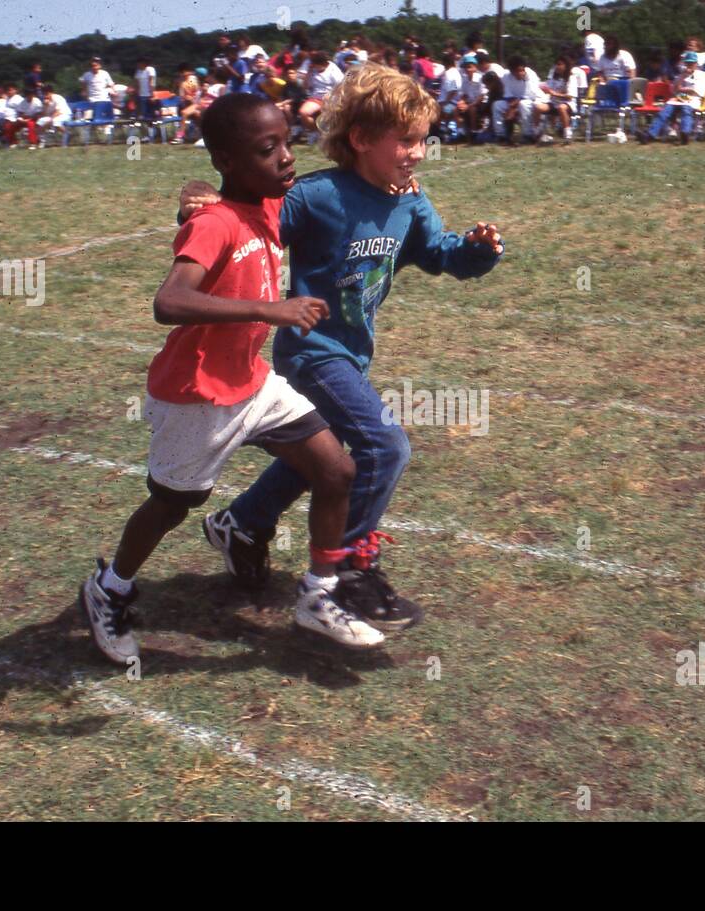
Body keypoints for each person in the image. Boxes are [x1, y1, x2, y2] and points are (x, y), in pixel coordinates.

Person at [175, 63, 504, 633]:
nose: (418, 152)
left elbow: (439, 253)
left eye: (423, 140)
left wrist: (476, 251)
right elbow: (251, 217)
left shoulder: (409, 203)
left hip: (353, 354)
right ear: (360, 140)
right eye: (405, 140)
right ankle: (347, 569)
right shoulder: (317, 195)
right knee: (384, 445)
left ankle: (243, 523)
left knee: (322, 462)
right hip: (310, 352)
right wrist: (204, 201)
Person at [82, 93, 378, 661]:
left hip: (252, 382)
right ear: (228, 159)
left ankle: (319, 595)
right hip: (197, 394)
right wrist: (269, 310)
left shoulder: (266, 202)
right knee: (171, 506)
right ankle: (109, 588)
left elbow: (305, 168)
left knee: (336, 470)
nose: (286, 159)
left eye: (288, 143)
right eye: (269, 150)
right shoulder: (215, 223)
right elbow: (169, 302)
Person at [641, 50, 705, 143]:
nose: (689, 65)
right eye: (687, 63)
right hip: (678, 98)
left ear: (696, 63)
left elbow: (698, 91)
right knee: (664, 112)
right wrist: (682, 78)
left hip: (693, 98)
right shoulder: (681, 75)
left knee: (685, 109)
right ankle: (650, 134)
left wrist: (681, 91)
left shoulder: (702, 75)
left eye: (691, 63)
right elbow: (673, 89)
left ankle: (685, 133)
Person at [493, 55, 544, 144]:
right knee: (497, 105)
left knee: (523, 104)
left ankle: (527, 134)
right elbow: (508, 94)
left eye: (522, 70)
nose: (520, 73)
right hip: (513, 102)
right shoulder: (506, 76)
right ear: (511, 71)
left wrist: (513, 108)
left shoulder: (531, 75)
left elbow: (529, 95)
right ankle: (501, 135)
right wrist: (511, 108)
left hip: (533, 101)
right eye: (517, 71)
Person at [535, 55, 581, 144]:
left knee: (561, 108)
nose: (557, 66)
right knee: (538, 107)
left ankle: (567, 134)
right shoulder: (553, 78)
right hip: (553, 102)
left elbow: (570, 96)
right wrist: (544, 89)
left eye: (560, 64)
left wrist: (554, 93)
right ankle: (537, 131)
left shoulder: (571, 78)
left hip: (568, 104)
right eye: (556, 64)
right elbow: (549, 89)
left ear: (566, 66)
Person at [134, 57, 157, 129]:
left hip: (149, 95)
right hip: (141, 96)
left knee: (151, 115)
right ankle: (147, 133)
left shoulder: (150, 69)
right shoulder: (138, 71)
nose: (138, 65)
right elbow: (137, 84)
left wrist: (152, 95)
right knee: (143, 115)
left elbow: (151, 83)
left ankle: (153, 131)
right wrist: (136, 95)